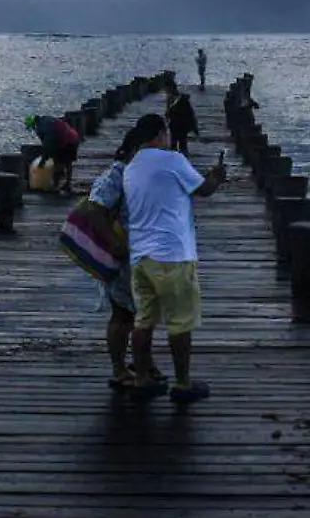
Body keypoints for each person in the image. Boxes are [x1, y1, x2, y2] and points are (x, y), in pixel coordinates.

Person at [124, 113, 228, 404]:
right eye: (166, 134)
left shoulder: (132, 167)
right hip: (172, 255)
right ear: (160, 134)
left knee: (143, 320)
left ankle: (143, 379)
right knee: (180, 322)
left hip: (140, 256)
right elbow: (204, 190)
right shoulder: (173, 160)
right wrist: (217, 176)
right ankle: (183, 384)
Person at [86, 114, 167, 390]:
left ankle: (144, 363)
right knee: (123, 315)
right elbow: (95, 208)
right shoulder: (119, 172)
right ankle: (120, 370)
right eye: (162, 137)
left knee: (145, 313)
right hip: (124, 258)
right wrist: (114, 243)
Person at [24, 113, 81, 195]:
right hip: (73, 137)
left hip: (65, 141)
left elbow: (48, 144)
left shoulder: (41, 127)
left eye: (32, 127)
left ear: (34, 124)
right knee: (68, 162)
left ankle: (56, 186)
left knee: (58, 163)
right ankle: (67, 184)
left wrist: (43, 159)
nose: (33, 129)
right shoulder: (47, 119)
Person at [164, 89, 199, 155]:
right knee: (180, 143)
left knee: (177, 143)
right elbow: (192, 119)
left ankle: (176, 154)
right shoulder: (187, 108)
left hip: (178, 127)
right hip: (179, 128)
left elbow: (168, 115)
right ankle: (179, 154)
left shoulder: (178, 105)